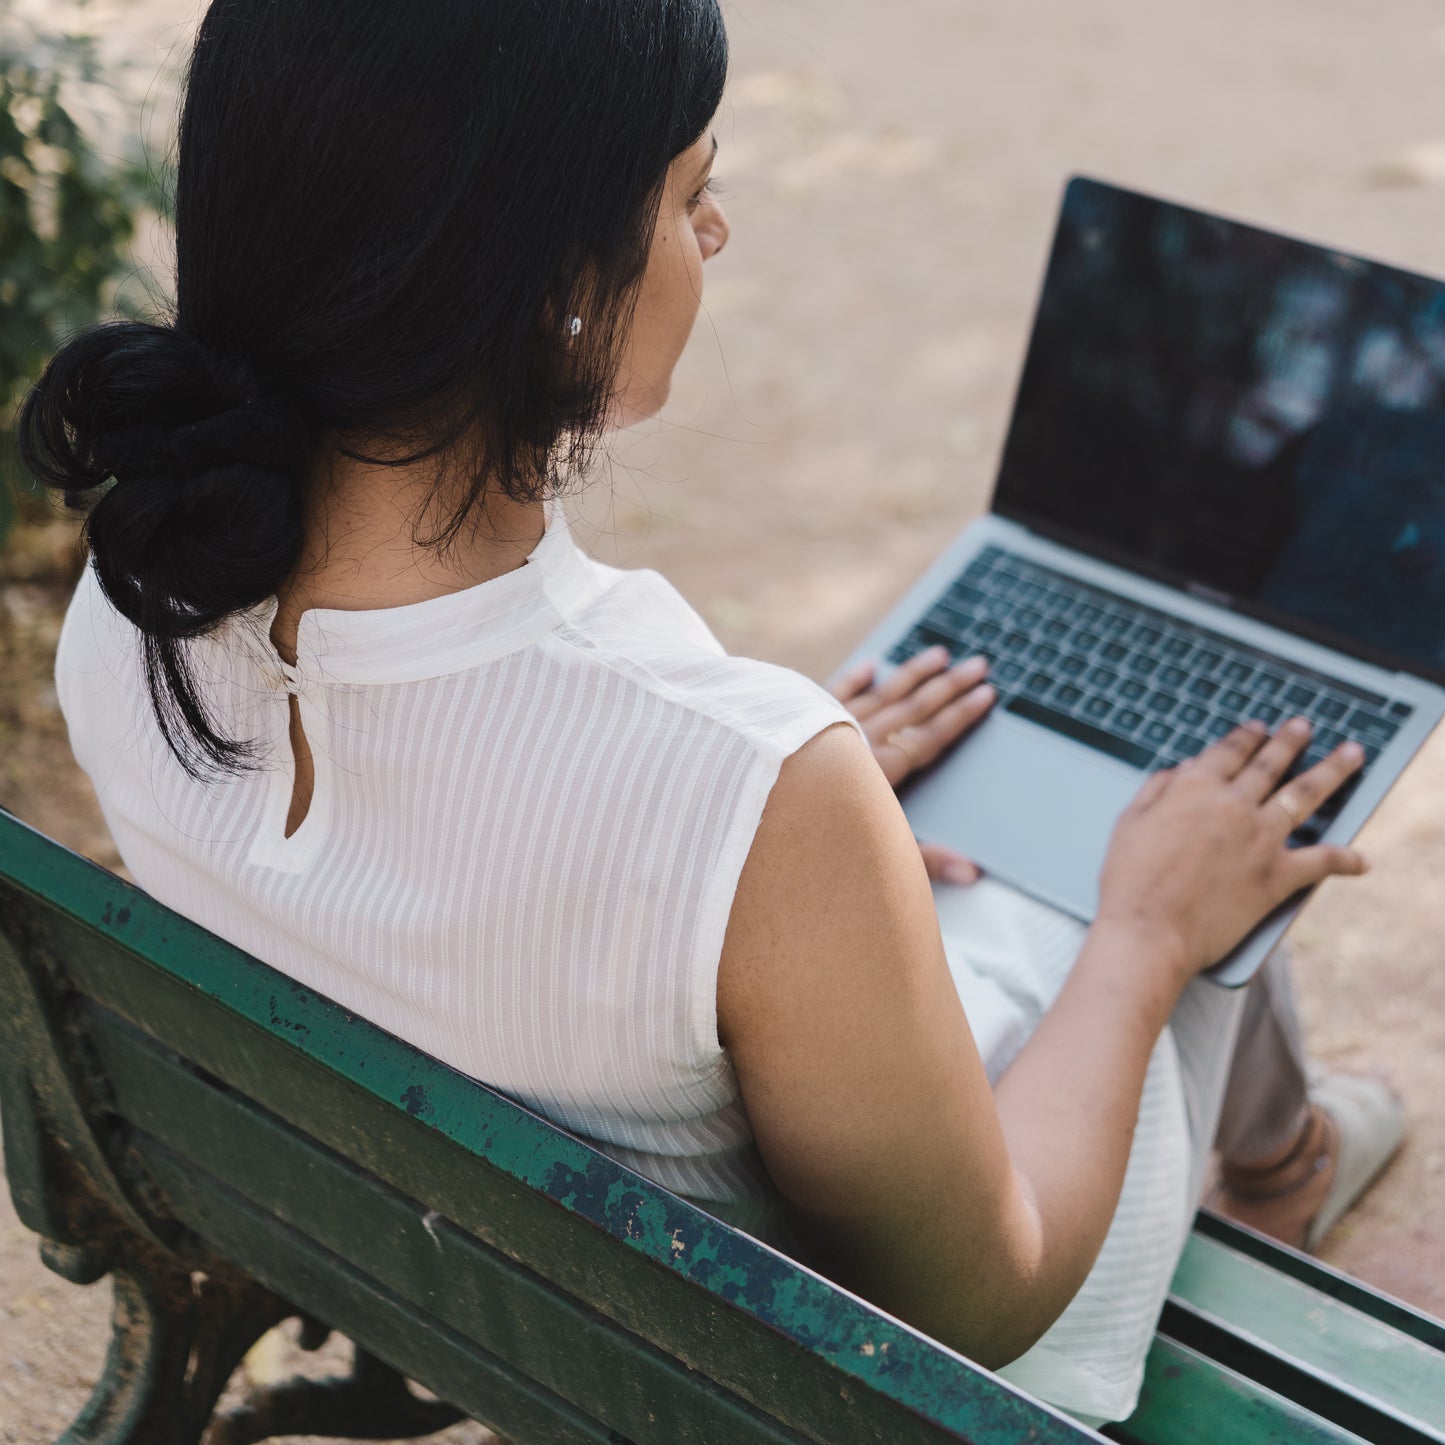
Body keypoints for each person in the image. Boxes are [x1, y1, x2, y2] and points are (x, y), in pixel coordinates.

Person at [18, 0, 1403, 1424]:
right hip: (798, 1368)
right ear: (557, 284)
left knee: (1128, 821)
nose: (717, 232)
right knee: (1183, 821)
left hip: (450, 1257)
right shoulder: (745, 776)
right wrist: (1143, 932)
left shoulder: (137, 598)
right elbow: (976, 1303)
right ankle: (1281, 1160)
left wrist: (769, 836)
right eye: (692, 193)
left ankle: (1282, 1133)